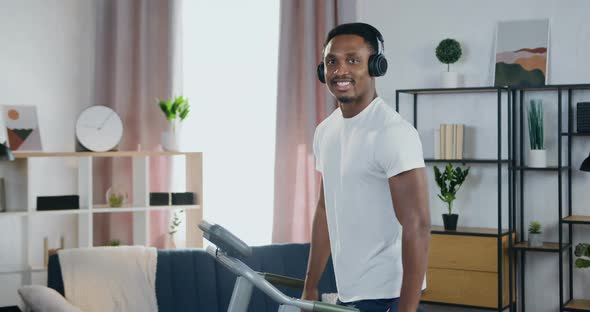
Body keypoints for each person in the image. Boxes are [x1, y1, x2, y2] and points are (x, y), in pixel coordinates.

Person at [301, 22, 431, 312]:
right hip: (349, 292)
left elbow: (418, 227)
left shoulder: (393, 133)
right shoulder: (326, 131)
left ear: (375, 66)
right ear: (322, 70)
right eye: (331, 61)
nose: (340, 71)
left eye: (353, 60)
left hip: (390, 295)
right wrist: (310, 285)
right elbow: (325, 209)